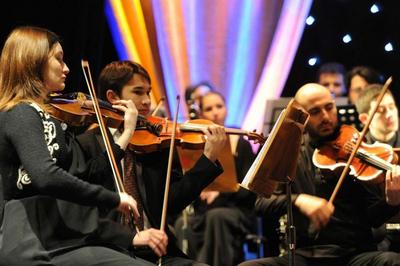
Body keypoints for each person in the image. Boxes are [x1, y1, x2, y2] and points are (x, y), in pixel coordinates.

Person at [0, 26, 155, 266]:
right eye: (58, 59)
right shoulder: (21, 112)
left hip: (62, 236)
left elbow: (87, 173)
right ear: (33, 60)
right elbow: (46, 177)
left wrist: (126, 135)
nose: (66, 69)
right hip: (32, 241)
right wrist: (113, 198)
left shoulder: (55, 120)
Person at [76, 60, 227, 266]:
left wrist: (207, 160)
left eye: (149, 92)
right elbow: (84, 214)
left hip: (156, 251)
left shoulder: (158, 142)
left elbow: (172, 201)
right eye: (138, 92)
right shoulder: (87, 144)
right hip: (108, 248)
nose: (148, 101)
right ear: (113, 97)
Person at [239, 83, 400, 266]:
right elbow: (261, 204)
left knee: (393, 261)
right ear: (302, 115)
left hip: (353, 254)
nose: (325, 117)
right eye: (315, 111)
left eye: (329, 108)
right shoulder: (291, 153)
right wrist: (298, 200)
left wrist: (391, 201)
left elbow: (374, 218)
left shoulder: (354, 150)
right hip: (305, 255)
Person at [174, 91, 257, 266]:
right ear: (202, 114)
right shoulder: (195, 144)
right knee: (184, 223)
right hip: (204, 211)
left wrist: (221, 194)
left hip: (234, 209)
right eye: (209, 108)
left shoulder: (239, 142)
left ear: (226, 109)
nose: (215, 112)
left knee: (216, 217)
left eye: (219, 106)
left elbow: (249, 187)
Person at [355, 83, 400, 251]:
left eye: (391, 107)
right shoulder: (356, 154)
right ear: (364, 119)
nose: (389, 115)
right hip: (376, 236)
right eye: (381, 111)